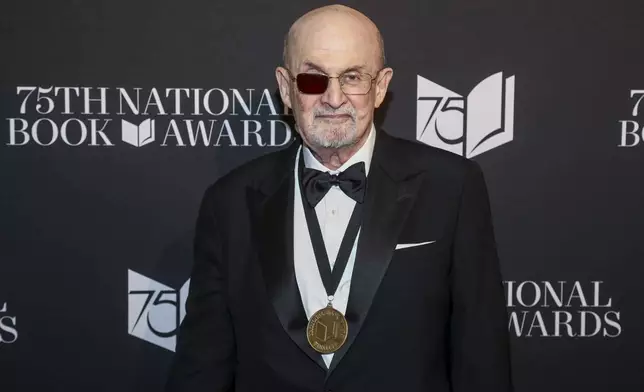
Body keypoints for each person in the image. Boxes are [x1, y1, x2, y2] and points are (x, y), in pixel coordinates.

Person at [165, 4, 512, 392]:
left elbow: (482, 355)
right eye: (313, 79)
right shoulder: (228, 202)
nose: (333, 98)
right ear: (286, 88)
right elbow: (202, 364)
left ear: (380, 87)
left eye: (352, 77)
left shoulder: (451, 187)